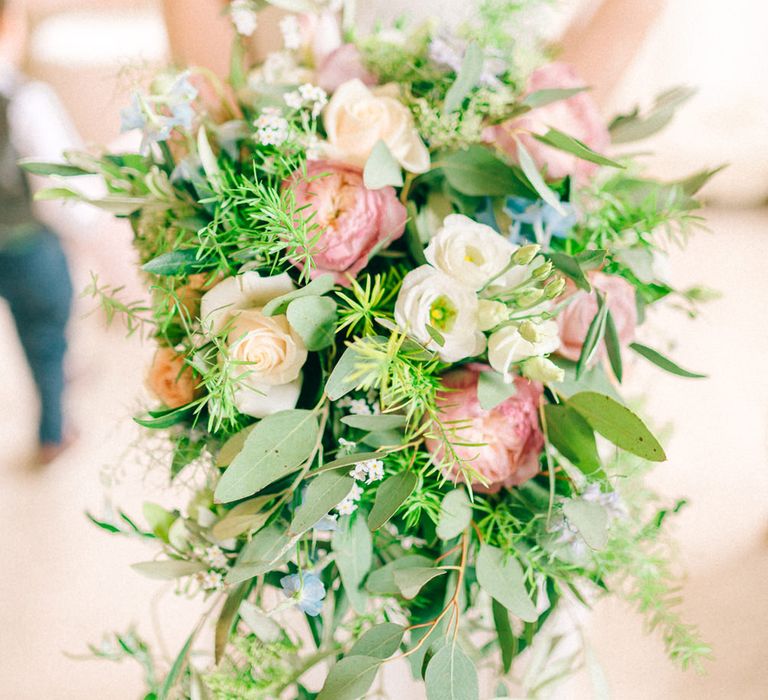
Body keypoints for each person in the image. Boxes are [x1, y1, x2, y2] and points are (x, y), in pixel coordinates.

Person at [0, 0, 86, 463]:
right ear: (9, 25)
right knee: (49, 329)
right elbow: (56, 185)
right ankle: (54, 430)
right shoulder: (26, 99)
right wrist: (86, 231)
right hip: (29, 241)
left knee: (28, 327)